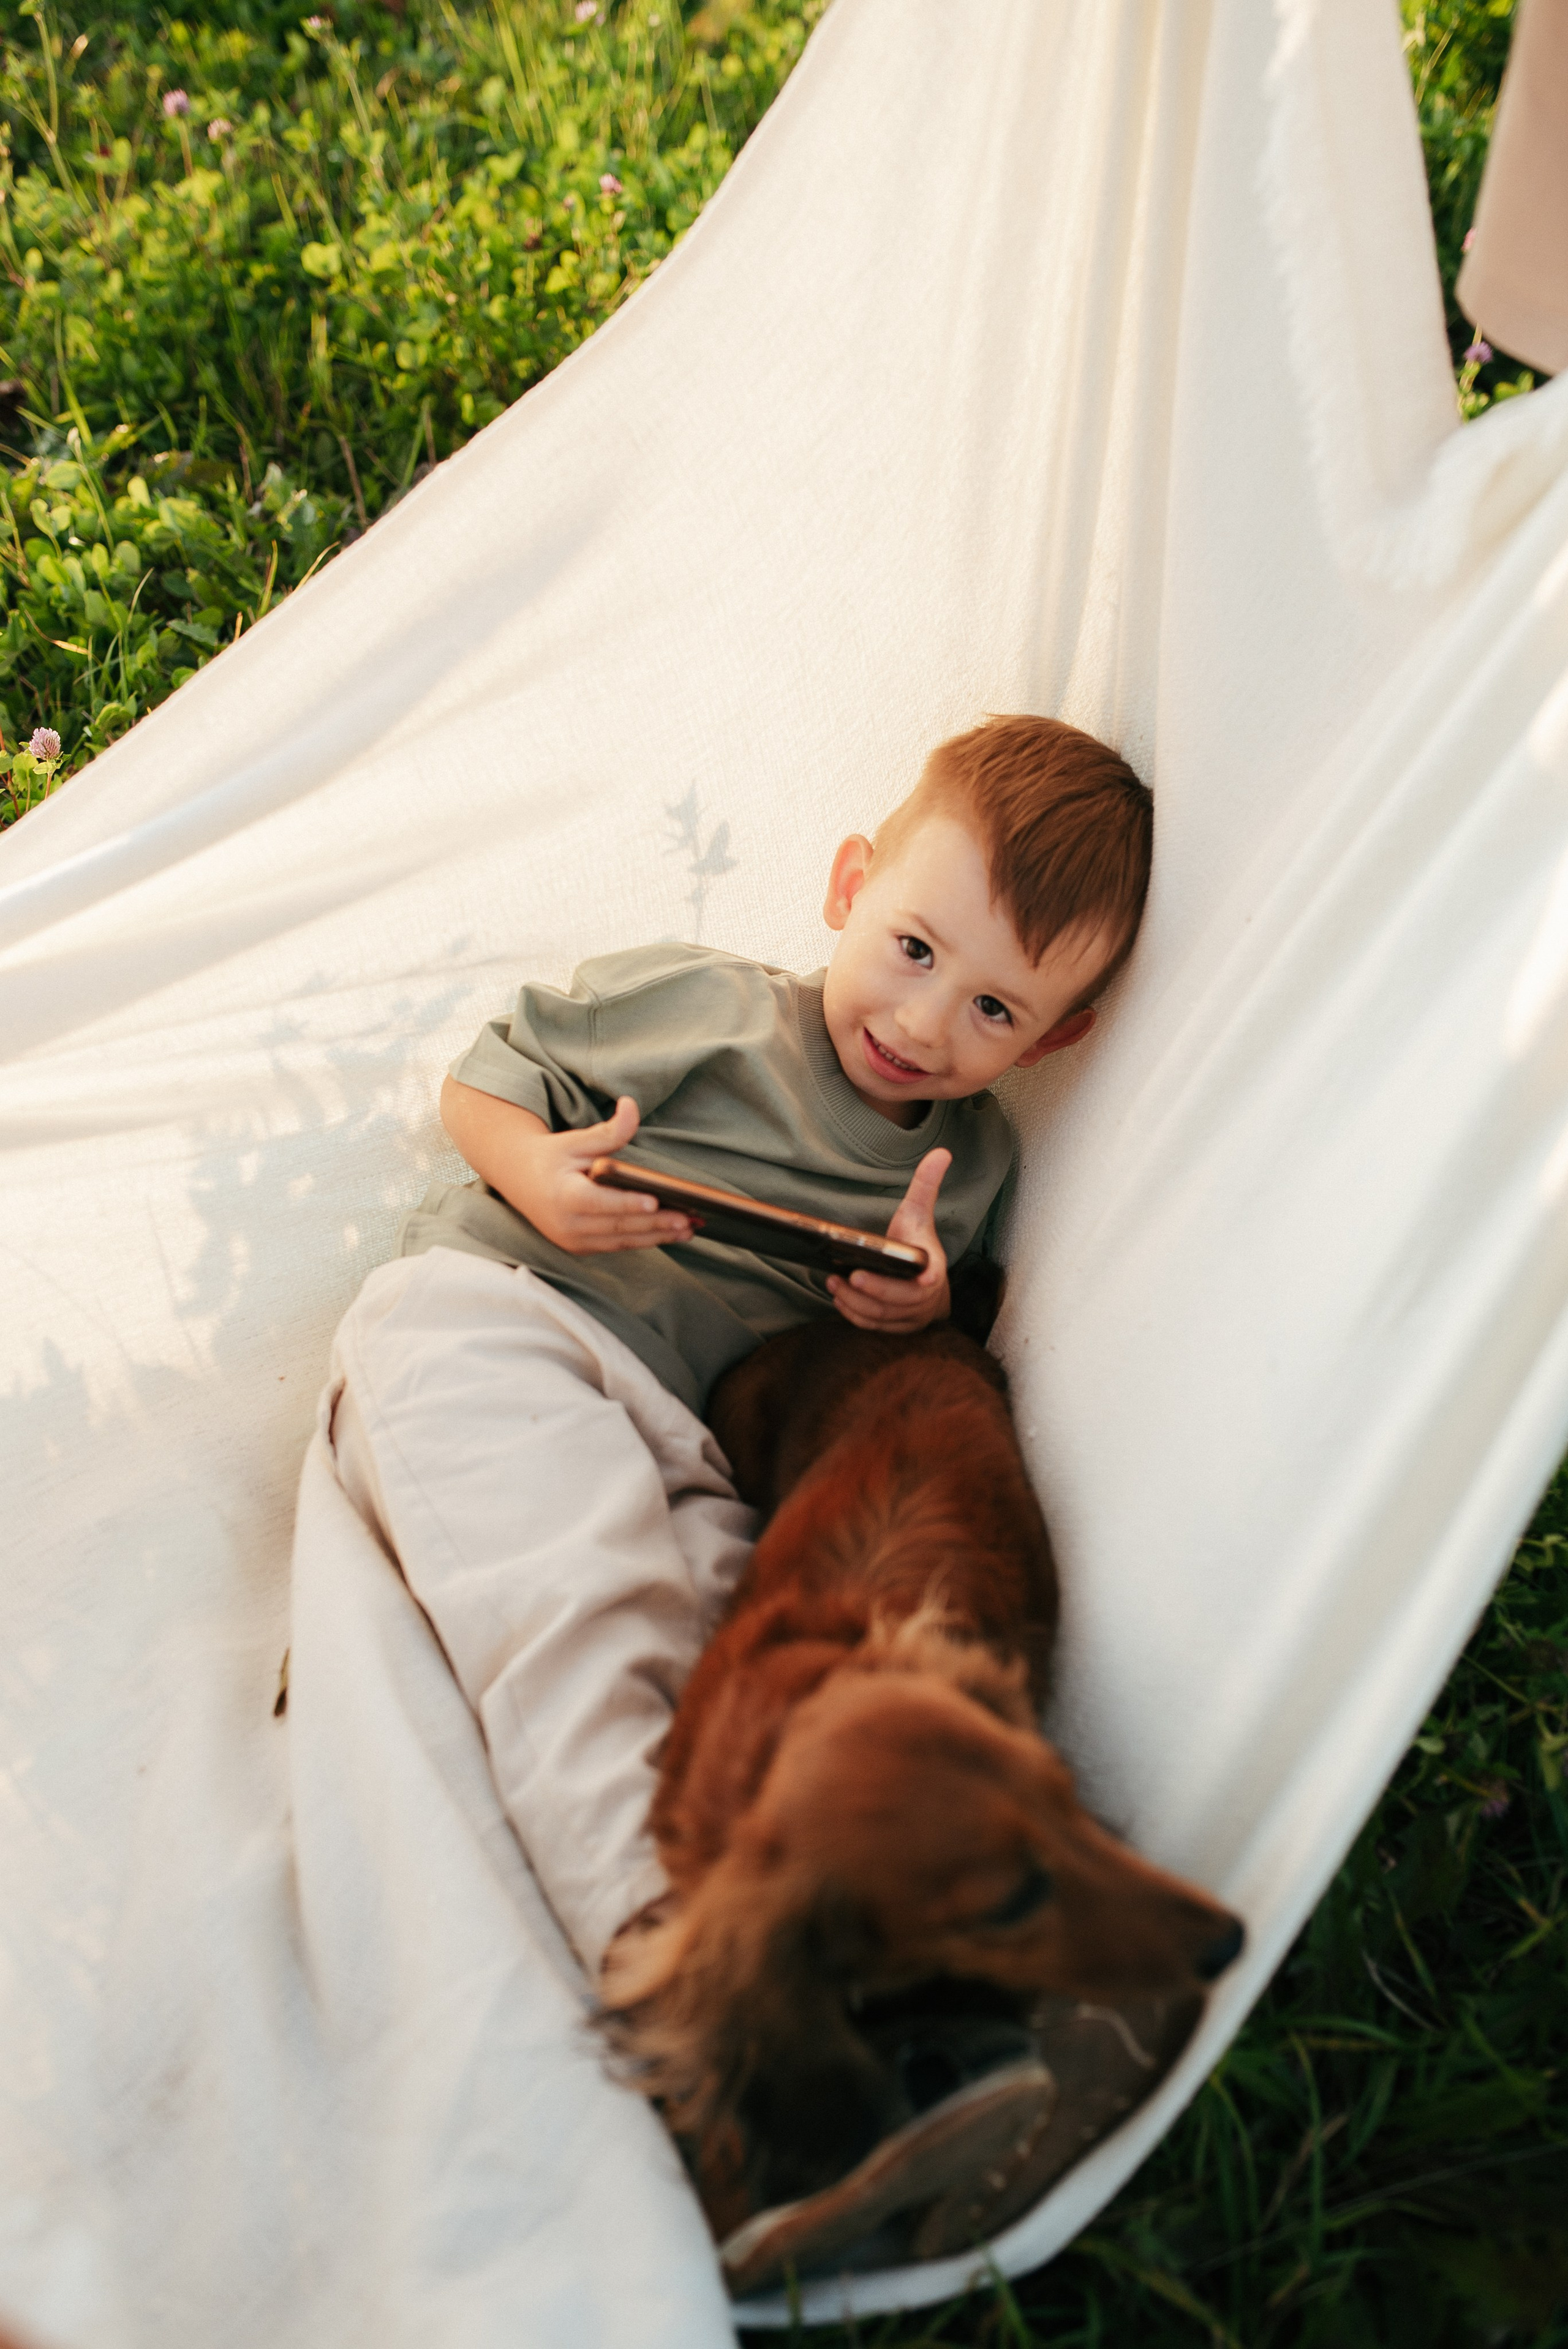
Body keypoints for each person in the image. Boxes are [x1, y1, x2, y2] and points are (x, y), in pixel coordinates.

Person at [320, 711, 1152, 2245]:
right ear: (848, 883)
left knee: (728, 1644)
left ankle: (853, 1988)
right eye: (910, 948)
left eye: (990, 1008)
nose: (921, 1023)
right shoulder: (704, 1008)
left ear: (1055, 1042)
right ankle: (708, 2025)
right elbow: (489, 1075)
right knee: (584, 1604)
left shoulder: (971, 1174)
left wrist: (914, 1307)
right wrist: (536, 1174)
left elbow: (940, 1314)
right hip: (492, 1318)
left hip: (687, 1424)